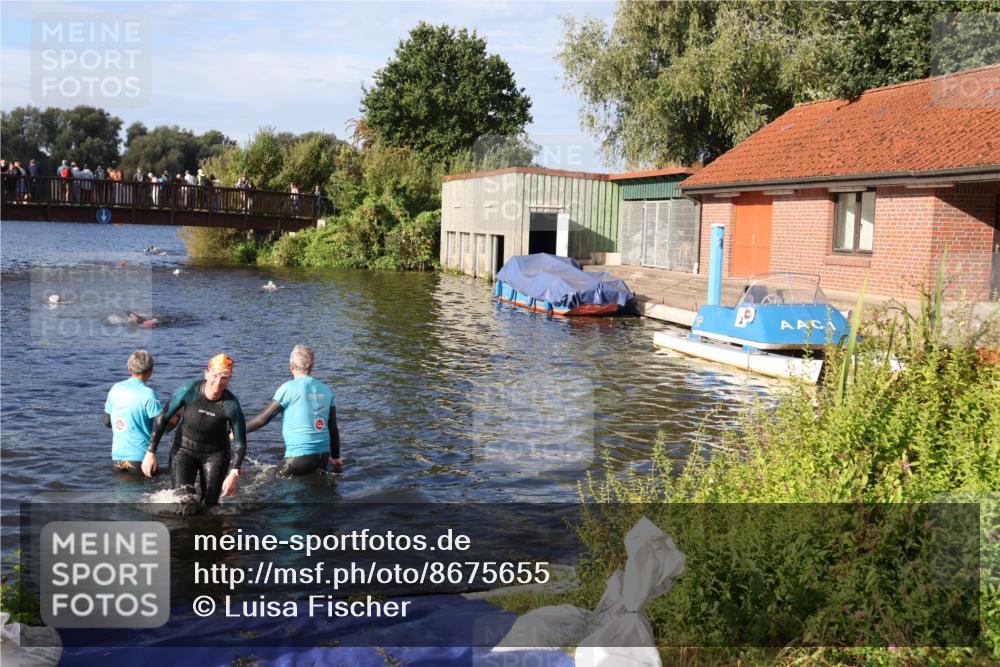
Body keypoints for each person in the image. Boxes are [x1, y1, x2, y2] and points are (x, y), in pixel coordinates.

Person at [143, 353, 247, 506]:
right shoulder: (189, 390)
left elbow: (240, 442)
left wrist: (234, 473)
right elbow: (163, 417)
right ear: (206, 373)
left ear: (229, 379)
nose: (218, 382)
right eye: (215, 375)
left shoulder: (231, 405)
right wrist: (150, 452)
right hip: (183, 450)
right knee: (182, 501)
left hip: (215, 455)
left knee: (210, 505)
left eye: (224, 377)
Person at [245, 345, 341, 476]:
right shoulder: (327, 390)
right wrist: (336, 457)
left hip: (299, 458)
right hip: (323, 457)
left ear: (291, 366)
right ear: (312, 367)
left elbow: (262, 419)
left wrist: (236, 432)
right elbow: (333, 428)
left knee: (270, 484)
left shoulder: (288, 388)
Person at [104, 350, 163, 474]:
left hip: (117, 457)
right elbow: (160, 426)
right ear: (150, 371)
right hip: (140, 458)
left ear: (129, 369)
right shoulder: (148, 394)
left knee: (122, 492)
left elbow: (107, 422)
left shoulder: (115, 389)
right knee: (149, 492)